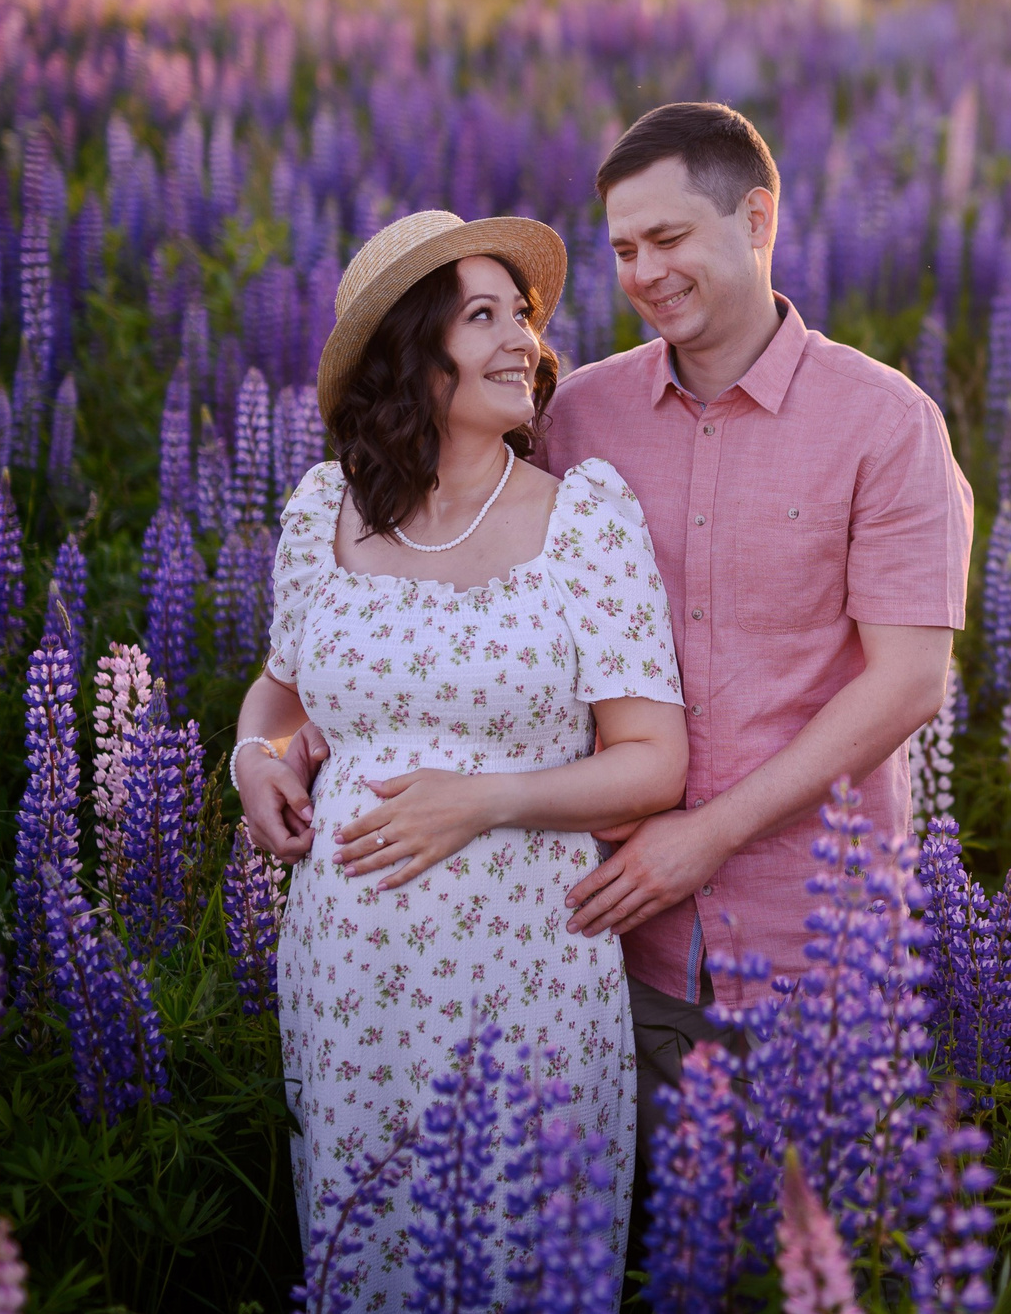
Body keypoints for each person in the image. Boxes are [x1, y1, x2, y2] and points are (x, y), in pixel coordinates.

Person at [232, 210, 689, 1292]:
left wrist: (482, 800)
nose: (519, 339)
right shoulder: (322, 514)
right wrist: (255, 753)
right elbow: (279, 694)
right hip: (347, 985)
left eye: (521, 315)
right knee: (367, 1261)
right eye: (480, 315)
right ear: (409, 350)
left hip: (524, 971)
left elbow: (651, 762)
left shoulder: (585, 518)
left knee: (522, 1264)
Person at [538, 103, 969, 1172]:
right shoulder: (579, 416)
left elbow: (909, 680)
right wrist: (313, 725)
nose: (645, 270)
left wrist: (709, 832)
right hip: (619, 945)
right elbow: (484, 612)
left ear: (757, 217)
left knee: (809, 1256)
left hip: (818, 947)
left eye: (670, 237)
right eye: (625, 248)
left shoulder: (885, 419)